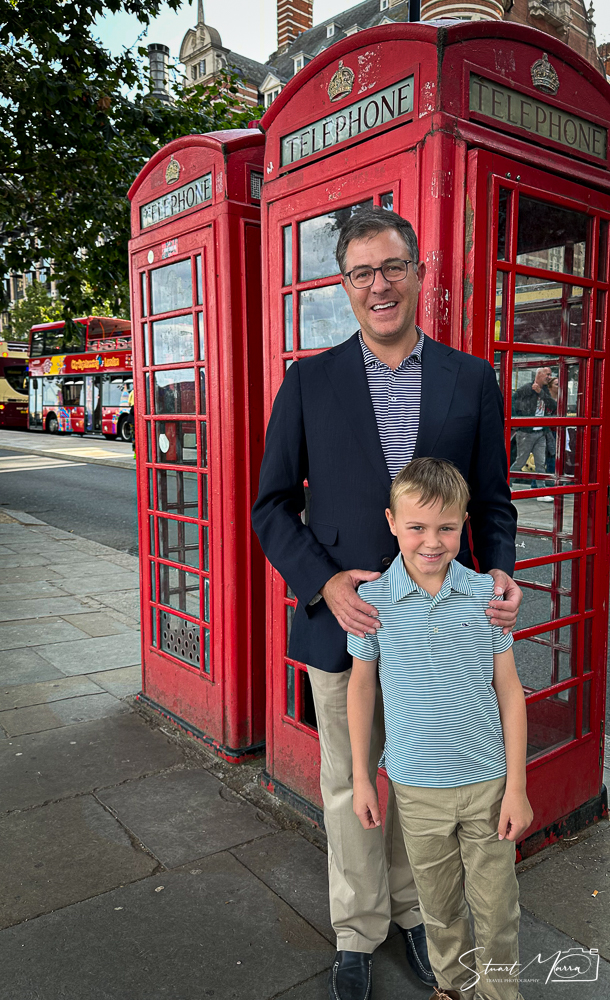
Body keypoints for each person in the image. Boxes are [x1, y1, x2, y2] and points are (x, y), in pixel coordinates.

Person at [252, 207, 521, 1000]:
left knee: (422, 782)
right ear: (344, 285)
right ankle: (357, 927)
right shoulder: (308, 380)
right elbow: (271, 505)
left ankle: (416, 913)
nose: (379, 284)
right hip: (351, 623)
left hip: (443, 630)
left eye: (392, 267)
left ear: (418, 274)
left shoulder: (470, 378)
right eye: (361, 272)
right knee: (348, 782)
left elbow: (495, 501)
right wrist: (324, 581)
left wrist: (500, 569)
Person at [347, 457, 532, 1000]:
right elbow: (362, 690)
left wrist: (517, 787)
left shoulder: (484, 598)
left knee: (497, 909)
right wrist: (362, 777)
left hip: (487, 784)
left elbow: (510, 693)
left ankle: (501, 995)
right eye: (417, 527)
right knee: (440, 910)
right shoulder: (374, 602)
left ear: (464, 524)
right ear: (391, 522)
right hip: (415, 789)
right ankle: (450, 988)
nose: (433, 541)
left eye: (447, 527)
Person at [510, 367, 556, 501]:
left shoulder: (544, 390)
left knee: (540, 462)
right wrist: (517, 420)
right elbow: (512, 401)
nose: (549, 377)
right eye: (547, 374)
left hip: (541, 432)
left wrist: (540, 392)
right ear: (539, 375)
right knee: (521, 461)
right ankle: (507, 483)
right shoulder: (526, 388)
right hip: (526, 432)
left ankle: (541, 491)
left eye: (550, 375)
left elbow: (553, 405)